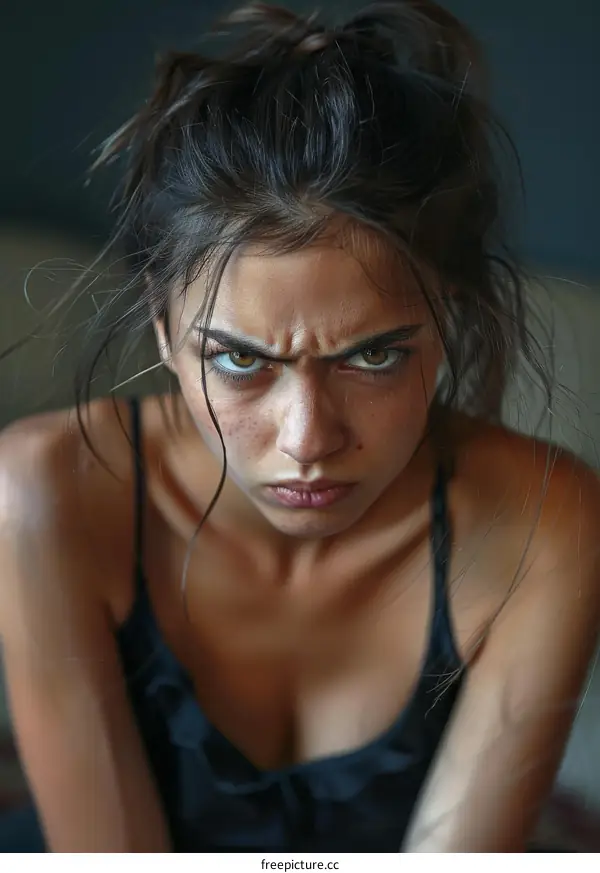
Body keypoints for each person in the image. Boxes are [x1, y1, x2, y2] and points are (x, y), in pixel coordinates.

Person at [0, 0, 598, 854]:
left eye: (374, 356)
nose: (308, 440)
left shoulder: (546, 519)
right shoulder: (47, 490)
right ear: (164, 329)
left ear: (450, 320)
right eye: (240, 359)